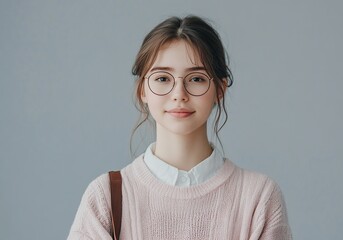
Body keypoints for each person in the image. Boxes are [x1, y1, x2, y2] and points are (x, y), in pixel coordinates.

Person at [67, 15, 292, 240]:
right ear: (142, 90)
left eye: (196, 79)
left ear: (220, 89)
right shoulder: (105, 197)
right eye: (163, 78)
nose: (179, 95)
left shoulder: (259, 197)